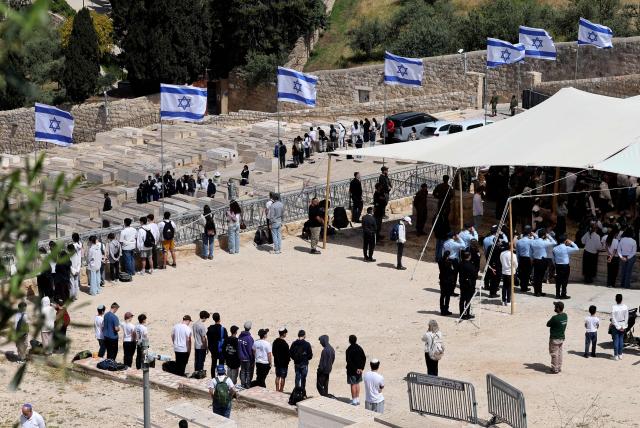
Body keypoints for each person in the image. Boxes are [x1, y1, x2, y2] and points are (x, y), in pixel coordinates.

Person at [531, 229, 555, 297]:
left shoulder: (534, 242)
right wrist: (549, 236)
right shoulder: (544, 242)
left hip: (536, 260)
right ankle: (539, 292)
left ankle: (537, 292)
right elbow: (554, 242)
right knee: (540, 277)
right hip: (542, 260)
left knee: (536, 276)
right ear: (544, 235)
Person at [546, 301, 568, 374]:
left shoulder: (555, 318)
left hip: (554, 338)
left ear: (558, 308)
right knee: (559, 353)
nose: (554, 308)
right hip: (561, 337)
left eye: (555, 307)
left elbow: (548, 324)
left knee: (554, 353)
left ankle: (555, 369)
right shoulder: (565, 316)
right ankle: (559, 367)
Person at [346, 334, 366, 406]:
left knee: (353, 384)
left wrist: (355, 369)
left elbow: (348, 361)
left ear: (349, 341)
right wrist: (361, 368)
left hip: (352, 371)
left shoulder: (349, 349)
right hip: (359, 370)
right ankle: (357, 399)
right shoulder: (360, 348)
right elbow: (364, 358)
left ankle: (354, 401)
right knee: (357, 384)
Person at [458, 251, 477, 320]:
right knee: (468, 300)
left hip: (462, 283)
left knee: (462, 299)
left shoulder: (460, 263)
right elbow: (475, 276)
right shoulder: (470, 265)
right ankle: (467, 314)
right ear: (469, 256)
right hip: (469, 284)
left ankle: (461, 313)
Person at [516, 226, 534, 293]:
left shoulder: (519, 241)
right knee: (527, 273)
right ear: (529, 233)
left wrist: (518, 260)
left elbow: (517, 252)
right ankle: (525, 287)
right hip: (528, 258)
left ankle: (522, 286)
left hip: (521, 258)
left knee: (522, 273)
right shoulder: (531, 241)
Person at [272, 327, 290, 392]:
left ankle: (277, 389)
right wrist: (287, 361)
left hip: (277, 362)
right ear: (283, 334)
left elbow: (273, 352)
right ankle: (281, 390)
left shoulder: (275, 342)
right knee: (282, 377)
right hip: (284, 364)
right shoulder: (285, 344)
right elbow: (288, 355)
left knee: (277, 376)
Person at [611, 294, 628, 360]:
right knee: (621, 340)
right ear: (622, 299)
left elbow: (613, 318)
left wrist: (617, 326)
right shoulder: (625, 307)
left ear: (616, 299)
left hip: (616, 325)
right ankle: (620, 354)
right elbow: (626, 317)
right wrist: (623, 326)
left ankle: (616, 355)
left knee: (616, 340)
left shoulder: (614, 307)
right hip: (623, 324)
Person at [238, 321, 255, 388]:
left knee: (242, 371)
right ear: (250, 328)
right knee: (248, 372)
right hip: (247, 358)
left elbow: (239, 347)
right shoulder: (249, 338)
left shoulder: (240, 336)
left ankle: (242, 384)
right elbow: (250, 350)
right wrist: (252, 359)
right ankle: (247, 385)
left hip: (241, 357)